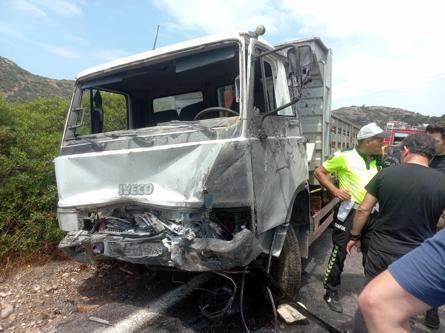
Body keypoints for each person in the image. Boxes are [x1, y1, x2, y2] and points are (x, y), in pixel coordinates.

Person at [346, 133, 445, 332]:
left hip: (381, 249)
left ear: (406, 150)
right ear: (431, 157)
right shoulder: (442, 182)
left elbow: (363, 209)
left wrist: (354, 236)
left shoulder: (385, 175)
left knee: (371, 296)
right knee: (403, 308)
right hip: (416, 256)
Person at [314, 122, 386, 313]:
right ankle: (330, 291)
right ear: (368, 141)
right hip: (350, 213)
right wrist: (335, 190)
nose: (382, 142)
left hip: (372, 214)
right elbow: (319, 172)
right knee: (339, 252)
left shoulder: (376, 160)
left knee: (372, 255)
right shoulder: (344, 156)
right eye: (379, 139)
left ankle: (372, 294)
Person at [358, 228, 445, 333]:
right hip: (415, 246)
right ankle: (432, 315)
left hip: (384, 244)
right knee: (403, 312)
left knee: (379, 308)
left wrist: (355, 235)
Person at [424, 123, 445, 329]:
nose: (430, 145)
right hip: (419, 218)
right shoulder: (425, 159)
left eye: (435, 141)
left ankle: (432, 308)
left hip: (440, 223)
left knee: (436, 266)